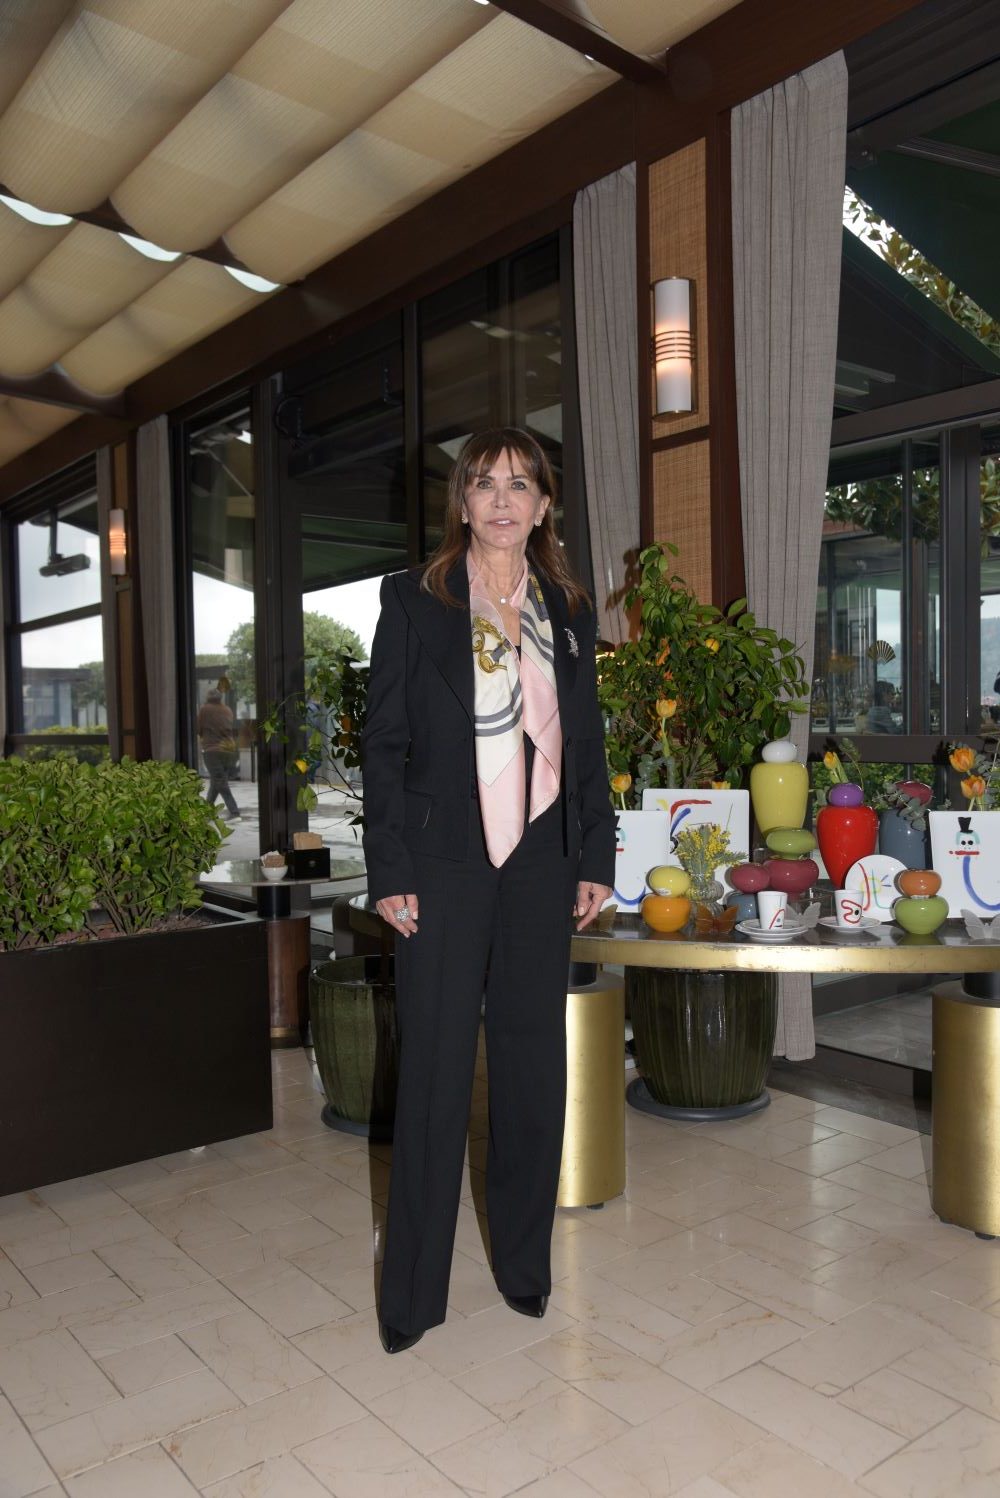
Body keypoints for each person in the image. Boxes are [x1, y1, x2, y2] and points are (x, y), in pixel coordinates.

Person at [362, 427, 615, 1355]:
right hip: (442, 863)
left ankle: (522, 1267)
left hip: (543, 860)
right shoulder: (414, 599)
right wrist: (390, 869)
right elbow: (383, 744)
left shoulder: (569, 608)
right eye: (484, 484)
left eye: (520, 484)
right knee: (433, 1074)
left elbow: (585, 744)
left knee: (530, 1067)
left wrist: (595, 854)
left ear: (544, 505)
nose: (503, 500)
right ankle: (411, 1297)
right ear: (462, 503)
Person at [197, 689, 240, 819]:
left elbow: (199, 729)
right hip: (228, 749)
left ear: (208, 698)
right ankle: (206, 812)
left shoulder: (205, 710)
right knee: (216, 782)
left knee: (220, 782)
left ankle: (234, 812)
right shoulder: (227, 710)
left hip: (212, 750)